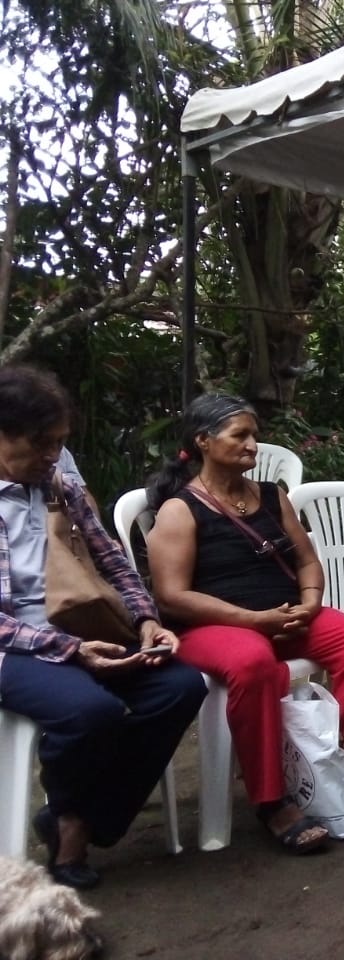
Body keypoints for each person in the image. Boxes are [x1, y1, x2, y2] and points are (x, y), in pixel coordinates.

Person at [148, 393, 344, 854]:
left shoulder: (272, 496)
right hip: (214, 627)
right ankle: (272, 800)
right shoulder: (181, 509)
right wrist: (253, 620)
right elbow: (172, 596)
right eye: (240, 435)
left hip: (285, 615)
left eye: (254, 435)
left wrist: (311, 603)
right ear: (203, 441)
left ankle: (342, 772)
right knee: (254, 665)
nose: (252, 445)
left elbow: (307, 560)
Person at [0, 366, 205, 889]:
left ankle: (88, 816)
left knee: (180, 685)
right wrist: (69, 649)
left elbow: (113, 562)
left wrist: (146, 621)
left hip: (78, 628)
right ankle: (72, 827)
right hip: (14, 648)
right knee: (91, 711)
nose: (53, 455)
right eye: (41, 443)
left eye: (59, 443)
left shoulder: (59, 487)